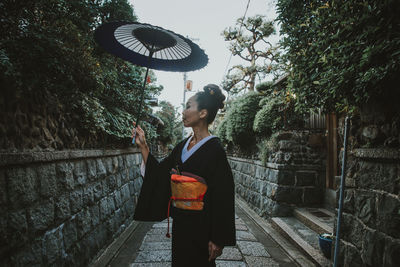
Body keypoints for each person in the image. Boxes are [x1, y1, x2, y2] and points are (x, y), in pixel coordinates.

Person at [132, 84, 236, 267]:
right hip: (180, 224)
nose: (184, 111)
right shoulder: (182, 146)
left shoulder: (215, 150)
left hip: (202, 227)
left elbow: (223, 196)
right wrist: (143, 146)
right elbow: (160, 174)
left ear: (203, 113)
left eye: (188, 106)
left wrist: (218, 238)